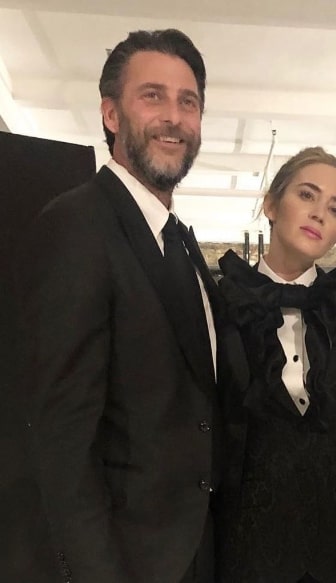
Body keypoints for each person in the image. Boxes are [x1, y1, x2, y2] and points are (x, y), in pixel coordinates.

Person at [19, 29, 220, 583]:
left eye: (189, 101)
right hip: (122, 562)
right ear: (111, 114)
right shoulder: (76, 226)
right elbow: (60, 441)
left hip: (193, 552)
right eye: (152, 96)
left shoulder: (181, 243)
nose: (174, 117)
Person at [215, 146, 336, 582]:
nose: (319, 214)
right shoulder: (223, 305)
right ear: (270, 204)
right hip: (247, 538)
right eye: (306, 195)